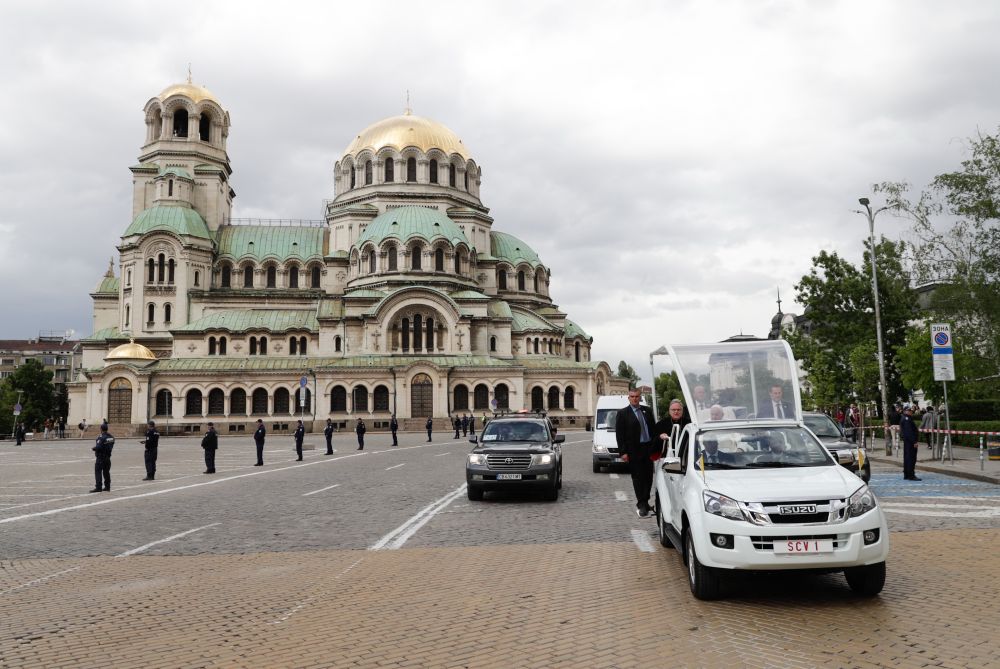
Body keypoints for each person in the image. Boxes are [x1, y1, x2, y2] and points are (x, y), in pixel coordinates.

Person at [615, 388, 657, 517]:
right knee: (638, 478)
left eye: (637, 396)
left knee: (648, 477)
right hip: (634, 451)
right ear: (629, 398)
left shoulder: (647, 411)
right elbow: (620, 435)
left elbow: (653, 430)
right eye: (632, 396)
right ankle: (642, 504)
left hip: (648, 449)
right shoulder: (623, 413)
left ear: (640, 397)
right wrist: (623, 452)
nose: (634, 398)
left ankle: (645, 501)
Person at [90, 424, 115, 492]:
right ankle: (107, 486)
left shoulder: (101, 437)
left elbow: (99, 447)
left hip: (101, 457)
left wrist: (94, 448)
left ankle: (98, 487)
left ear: (101, 429)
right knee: (106, 472)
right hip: (108, 457)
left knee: (98, 472)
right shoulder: (111, 437)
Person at [901, 404, 920, 481]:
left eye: (910, 411)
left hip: (907, 441)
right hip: (910, 442)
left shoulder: (906, 418)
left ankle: (906, 474)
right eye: (909, 411)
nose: (910, 412)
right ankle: (911, 475)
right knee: (911, 458)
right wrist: (914, 441)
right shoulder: (907, 419)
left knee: (907, 458)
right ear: (905, 411)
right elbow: (909, 432)